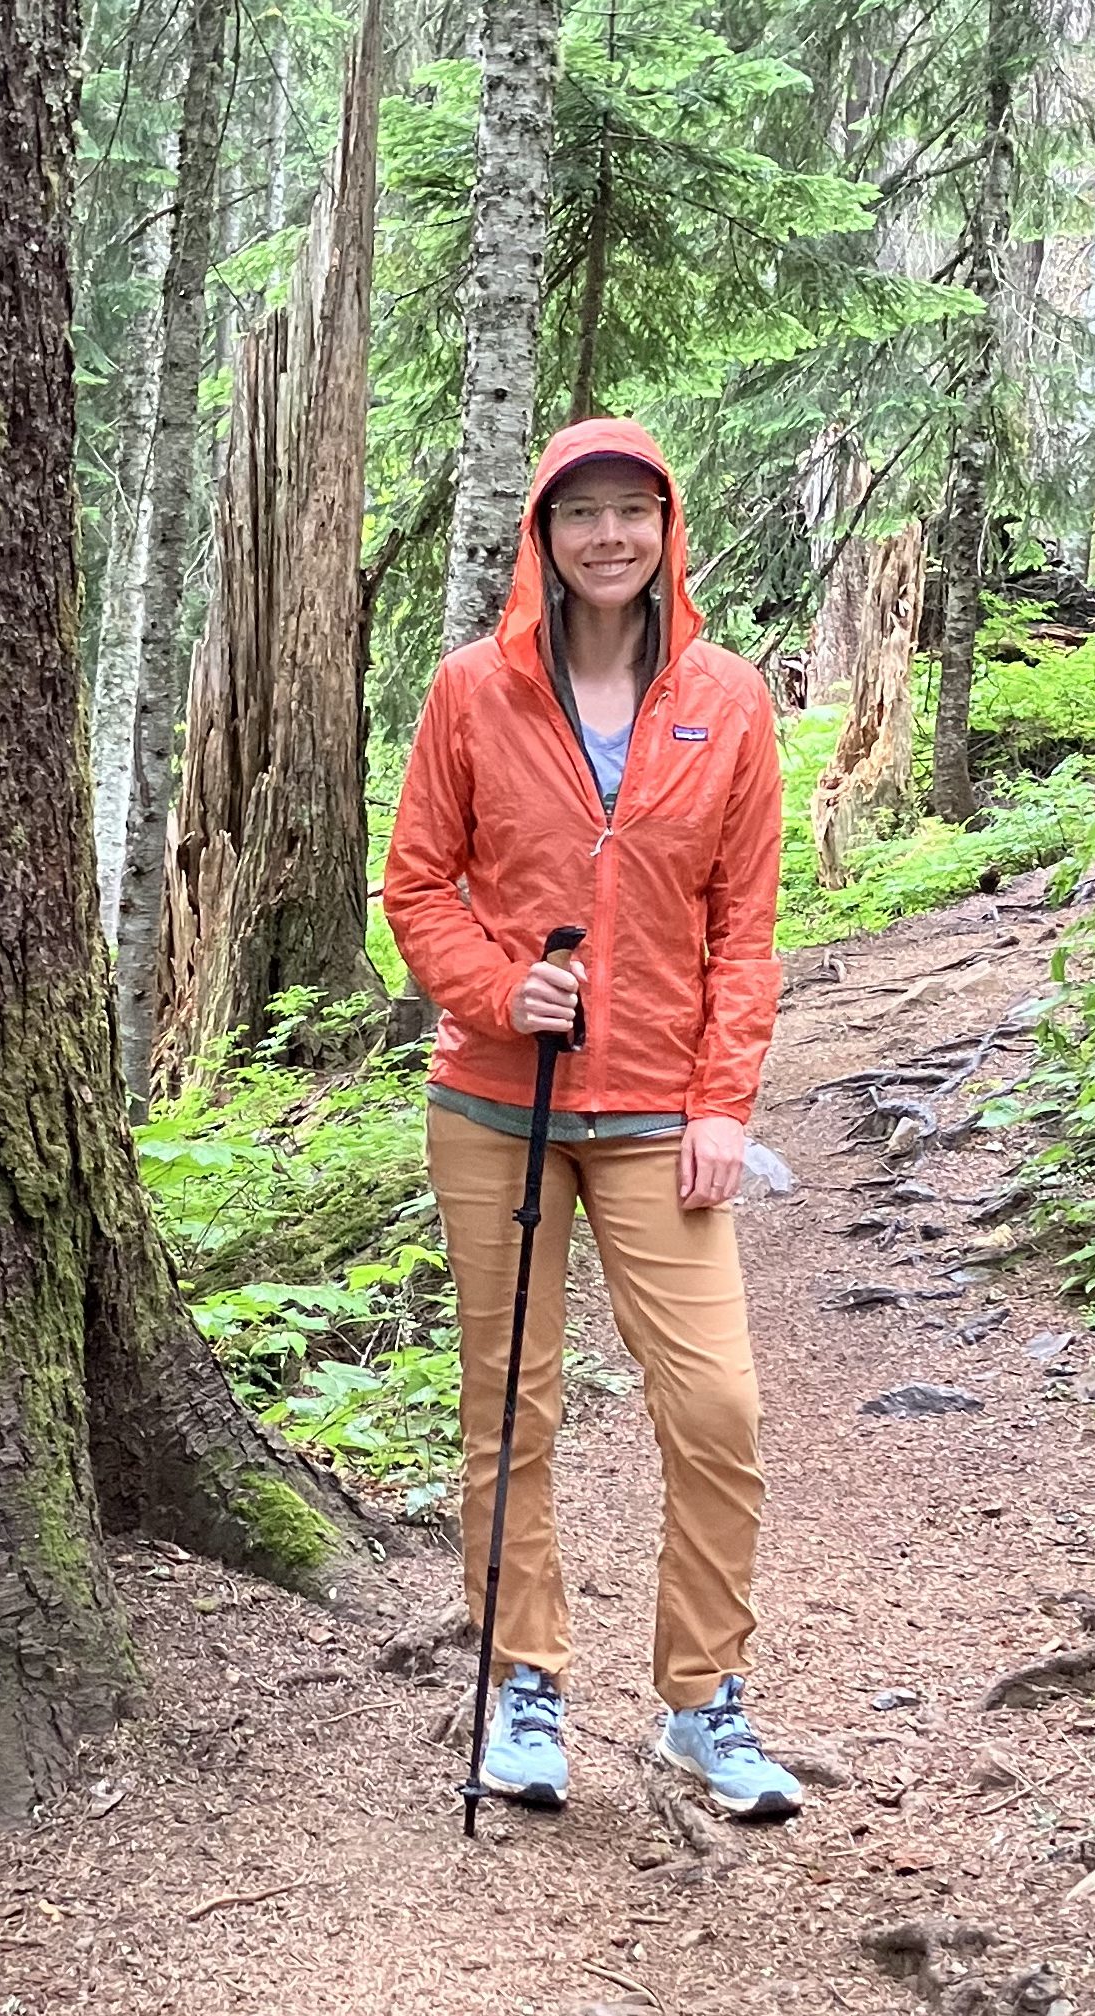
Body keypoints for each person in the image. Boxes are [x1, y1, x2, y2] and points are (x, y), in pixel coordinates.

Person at [382, 418, 797, 1819]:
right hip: (498, 1104)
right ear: (543, 537)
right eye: (583, 514)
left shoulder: (728, 700)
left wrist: (724, 1103)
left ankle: (702, 1701)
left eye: (634, 511)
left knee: (718, 1407)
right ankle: (522, 1683)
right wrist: (505, 995)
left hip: (657, 1110)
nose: (610, 536)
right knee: (512, 1405)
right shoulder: (470, 693)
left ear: (667, 529)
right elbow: (417, 885)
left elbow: (746, 928)